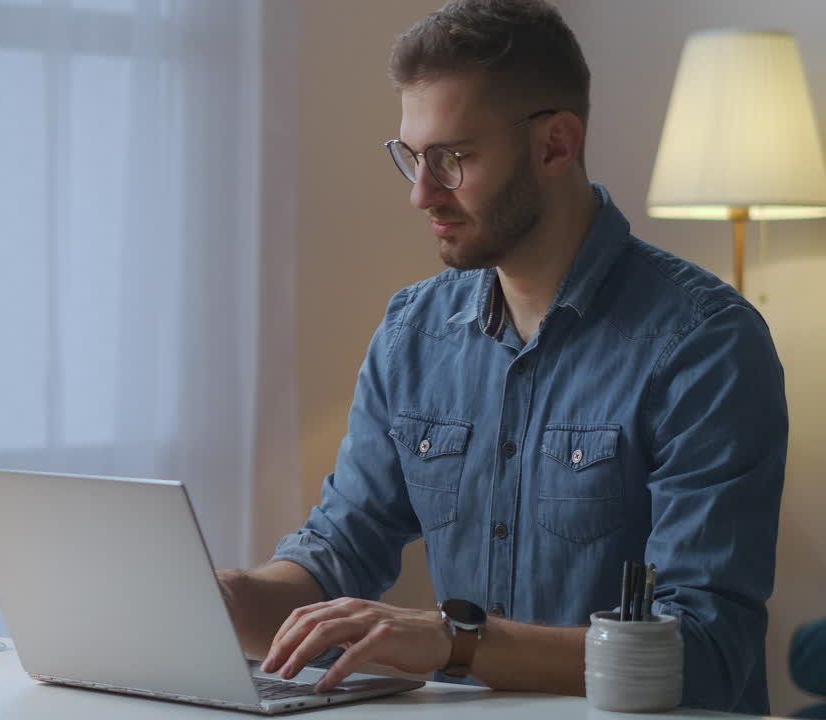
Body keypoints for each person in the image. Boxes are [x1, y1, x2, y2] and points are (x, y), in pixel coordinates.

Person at [215, 0, 787, 715]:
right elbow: (338, 553)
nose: (421, 194)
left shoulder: (706, 343)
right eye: (412, 158)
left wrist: (455, 641)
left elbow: (706, 651)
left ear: (555, 146)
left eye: (452, 159)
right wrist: (219, 600)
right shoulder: (412, 332)